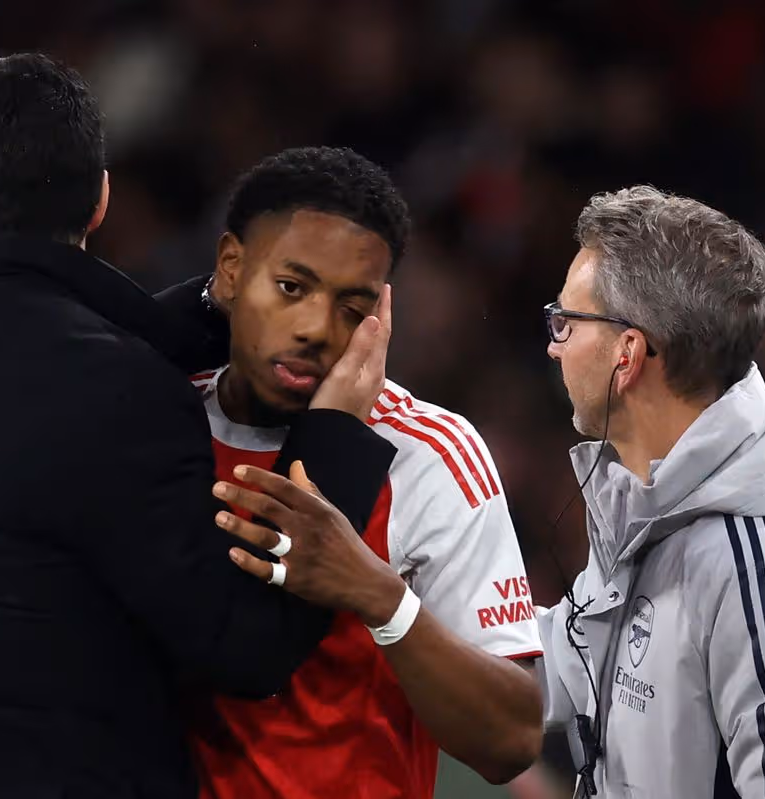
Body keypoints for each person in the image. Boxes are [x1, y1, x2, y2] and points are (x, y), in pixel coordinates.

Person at [0, 55, 399, 799]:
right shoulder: (127, 392)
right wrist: (332, 436)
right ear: (100, 200)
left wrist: (223, 306)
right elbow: (248, 650)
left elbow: (39, 352)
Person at [184, 146, 544, 798]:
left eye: (351, 306)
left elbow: (511, 739)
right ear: (231, 268)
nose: (317, 328)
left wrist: (380, 596)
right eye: (291, 288)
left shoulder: (430, 455)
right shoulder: (156, 419)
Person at [534, 185, 765, 797]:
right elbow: (553, 674)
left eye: (567, 321)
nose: (554, 343)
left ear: (628, 352)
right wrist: (390, 611)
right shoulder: (650, 501)